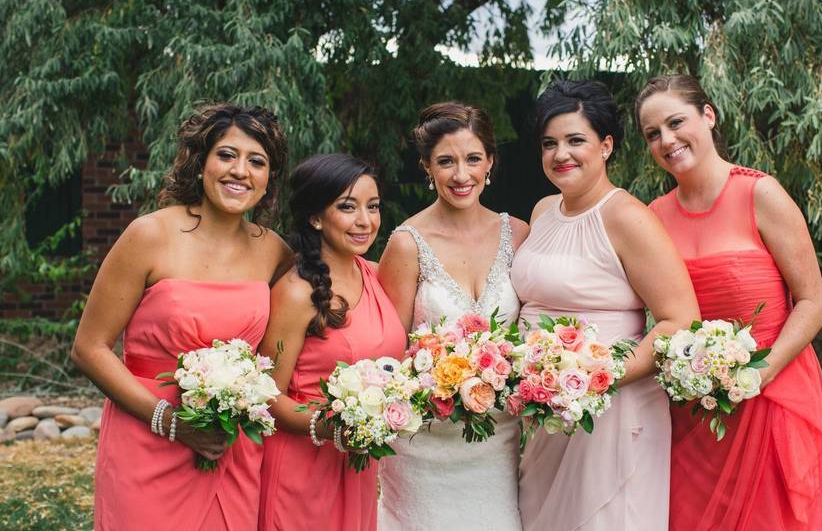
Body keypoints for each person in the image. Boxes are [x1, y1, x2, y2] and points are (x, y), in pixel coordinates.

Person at [636, 74, 822, 530]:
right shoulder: (652, 217)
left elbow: (813, 302)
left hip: (773, 394)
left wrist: (756, 376)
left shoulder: (760, 194)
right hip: (693, 410)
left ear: (708, 115)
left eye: (676, 122)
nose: (667, 140)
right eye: (653, 134)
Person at [71, 104, 291, 530]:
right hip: (146, 438)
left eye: (257, 161)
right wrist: (168, 421)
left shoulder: (274, 251)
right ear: (201, 162)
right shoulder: (149, 236)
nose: (240, 171)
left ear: (269, 180)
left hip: (230, 450)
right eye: (227, 155)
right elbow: (89, 348)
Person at [512, 79, 699, 531]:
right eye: (550, 143)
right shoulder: (541, 212)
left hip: (611, 413)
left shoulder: (627, 217)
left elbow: (681, 319)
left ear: (606, 145)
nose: (562, 155)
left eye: (576, 140)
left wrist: (595, 379)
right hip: (545, 415)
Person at [376, 101, 529, 531]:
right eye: (446, 161)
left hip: (497, 442)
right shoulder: (407, 243)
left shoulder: (519, 234)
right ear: (427, 167)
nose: (461, 175)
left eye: (473, 159)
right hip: (424, 446)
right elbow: (390, 352)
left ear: (491, 162)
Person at [257, 153, 406, 531]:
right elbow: (266, 395)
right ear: (315, 217)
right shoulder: (295, 292)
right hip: (302, 468)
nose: (365, 221)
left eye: (372, 207)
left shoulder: (376, 275)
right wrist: (332, 427)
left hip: (358, 466)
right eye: (347, 207)